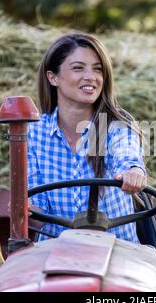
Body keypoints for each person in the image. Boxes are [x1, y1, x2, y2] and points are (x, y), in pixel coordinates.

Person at [27, 33, 147, 243]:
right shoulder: (34, 133)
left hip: (117, 254)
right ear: (52, 77)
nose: (91, 76)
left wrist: (133, 172)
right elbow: (37, 212)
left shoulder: (116, 125)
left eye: (97, 69)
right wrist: (26, 211)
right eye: (78, 68)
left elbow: (126, 155)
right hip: (55, 253)